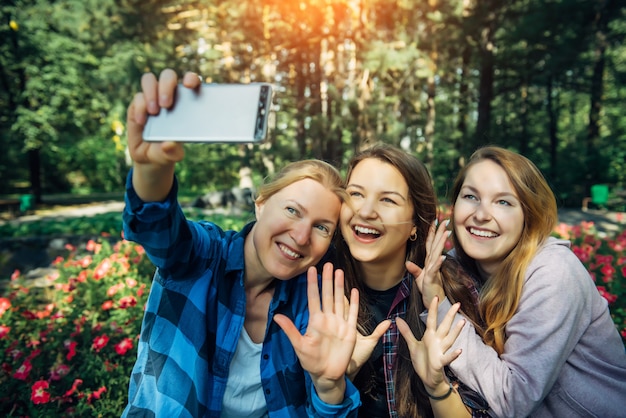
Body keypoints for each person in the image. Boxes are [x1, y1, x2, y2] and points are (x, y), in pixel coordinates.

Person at [121, 69, 361, 417]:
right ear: (261, 203)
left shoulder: (314, 303)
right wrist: (152, 169)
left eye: (322, 228)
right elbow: (158, 227)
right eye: (292, 210)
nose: (301, 236)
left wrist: (329, 388)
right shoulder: (203, 255)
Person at [412, 145, 626, 417]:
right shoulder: (455, 266)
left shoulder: (554, 273)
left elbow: (512, 398)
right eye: (470, 196)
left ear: (529, 215)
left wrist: (439, 303)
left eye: (503, 202)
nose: (481, 214)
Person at [333, 143, 489, 417]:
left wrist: (436, 385)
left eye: (388, 200)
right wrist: (333, 383)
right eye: (356, 194)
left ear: (415, 224)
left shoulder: (451, 290)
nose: (366, 211)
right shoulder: (317, 285)